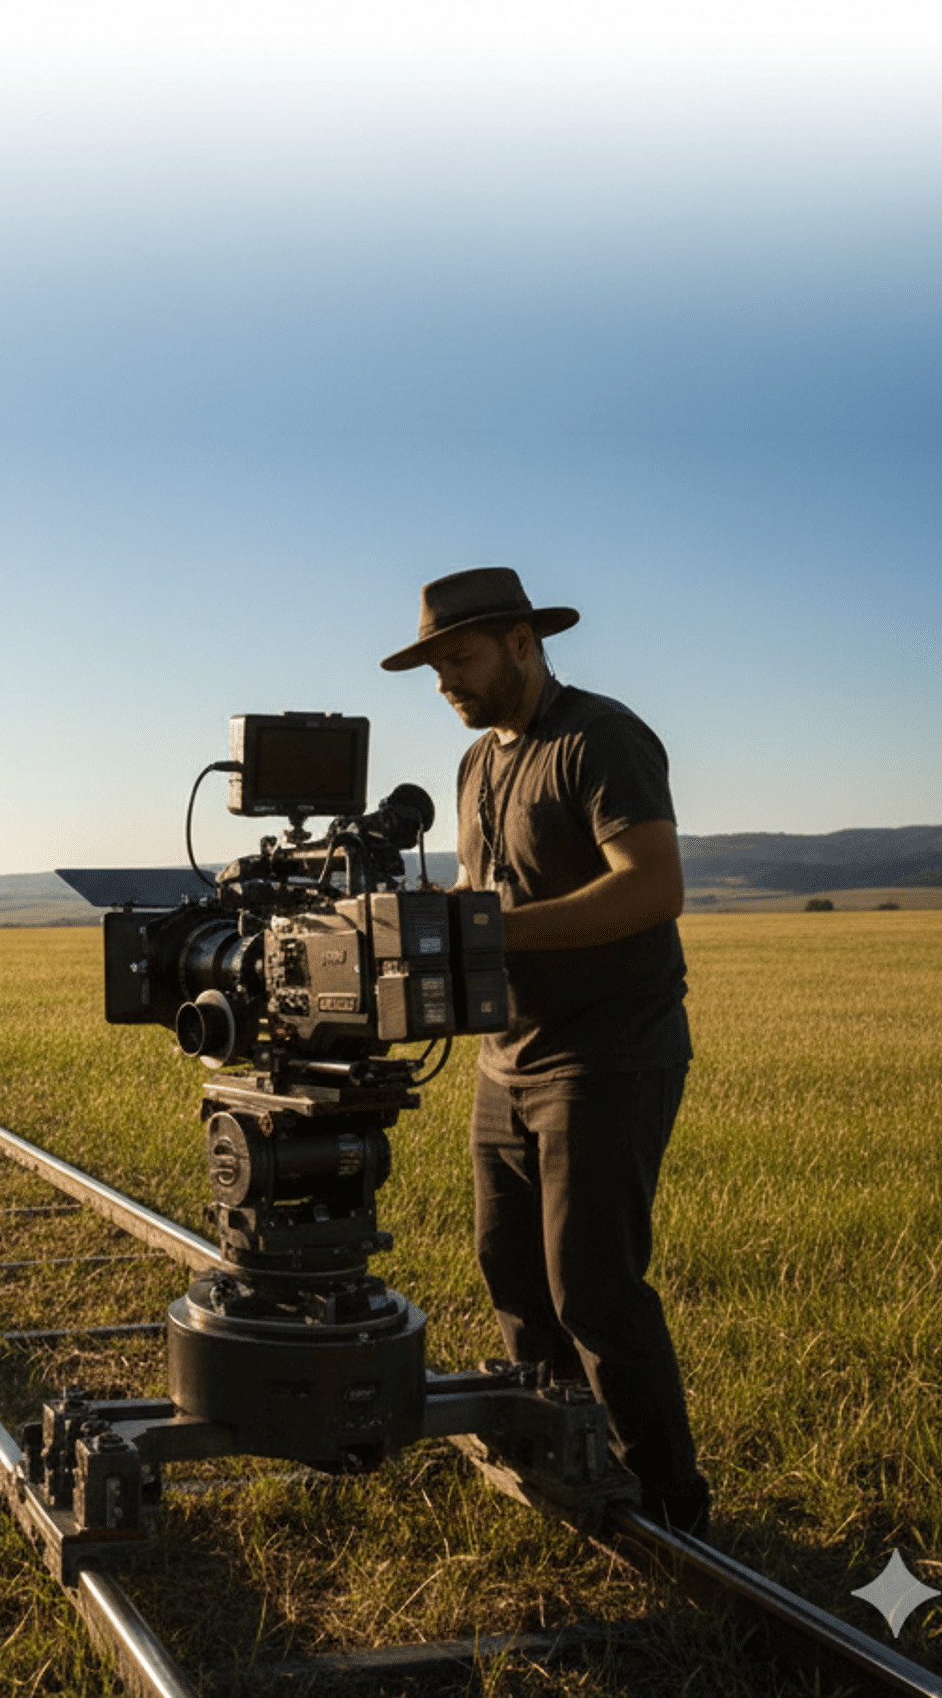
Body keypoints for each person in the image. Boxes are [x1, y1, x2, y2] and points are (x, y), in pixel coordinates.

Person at [380, 566, 710, 1534]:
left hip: (610, 1048)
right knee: (512, 1271)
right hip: (507, 1057)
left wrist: (489, 929)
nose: (446, 681)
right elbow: (481, 902)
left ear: (523, 642)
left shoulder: (600, 737)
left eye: (462, 658)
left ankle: (669, 1507)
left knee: (594, 1287)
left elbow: (652, 889)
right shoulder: (480, 762)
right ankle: (575, 1461)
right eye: (436, 667)